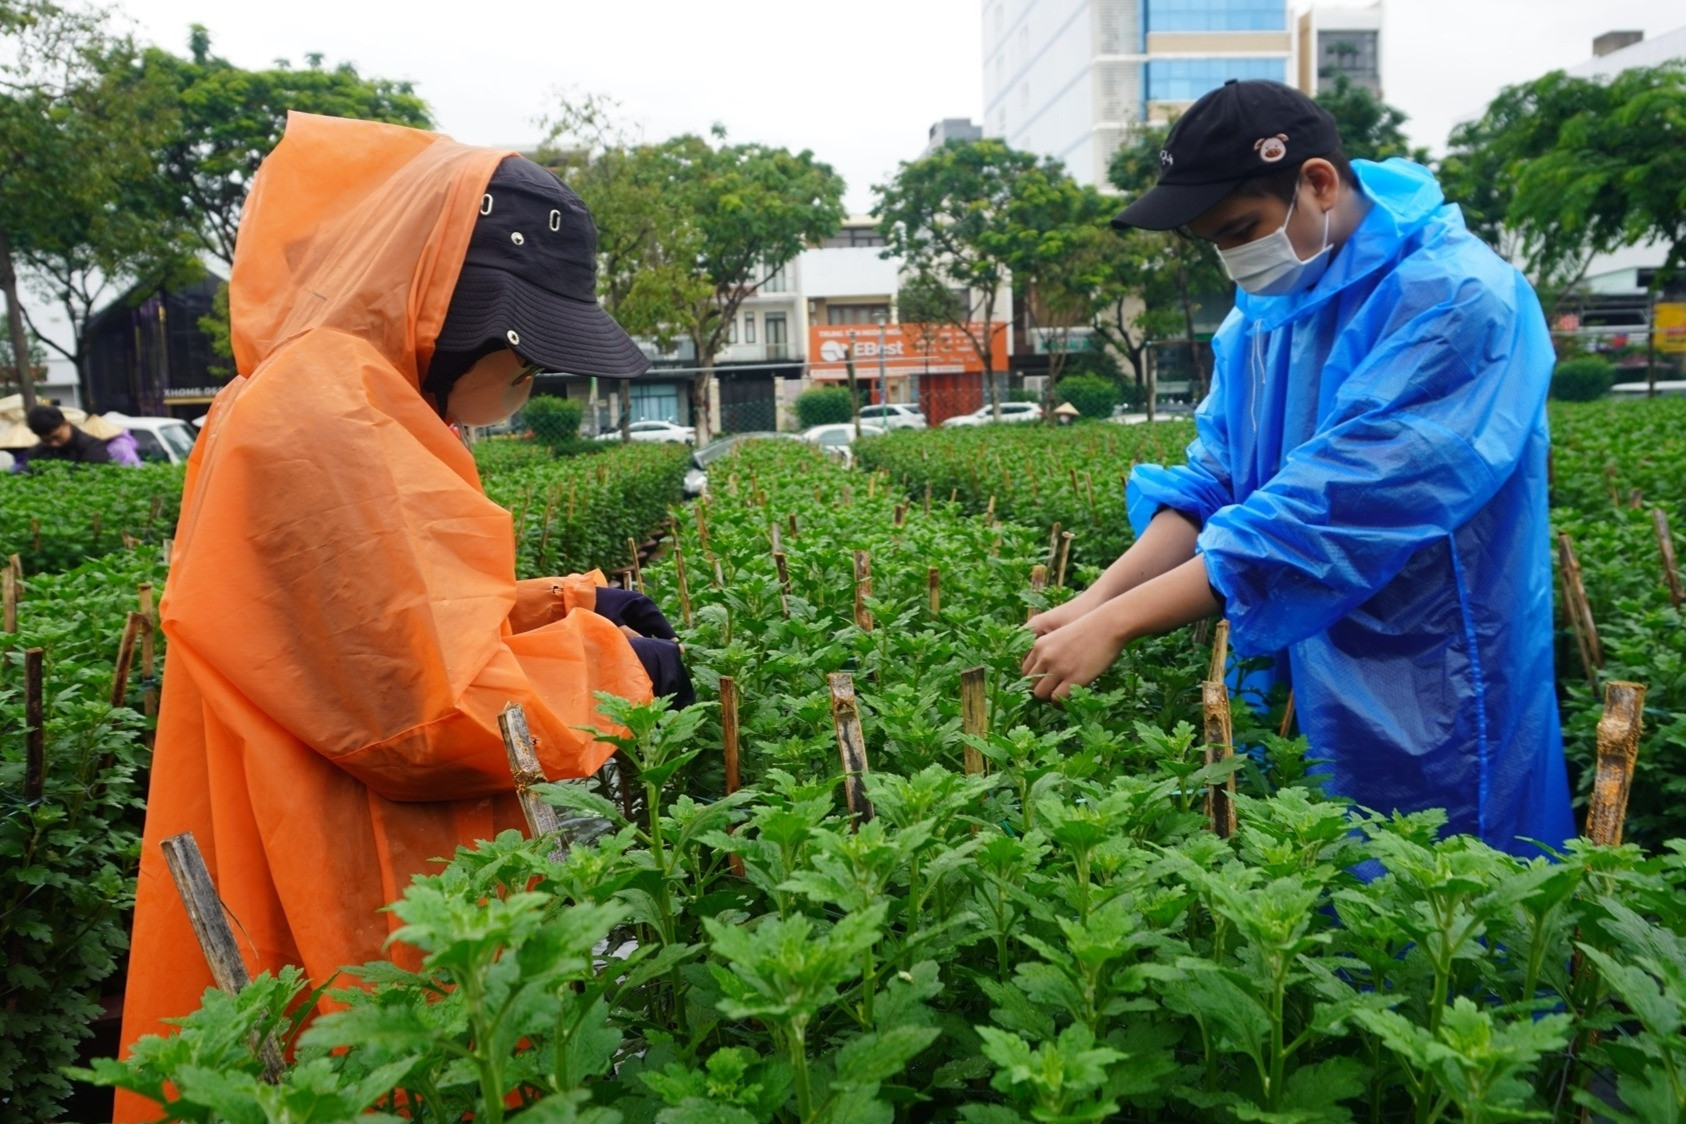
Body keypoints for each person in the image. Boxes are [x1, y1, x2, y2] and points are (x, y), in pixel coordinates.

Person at [115, 114, 685, 1121]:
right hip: (328, 854)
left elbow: (351, 620)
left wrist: (567, 604)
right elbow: (424, 706)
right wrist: (621, 667)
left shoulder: (321, 388)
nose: (528, 378)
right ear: (460, 311)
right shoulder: (334, 410)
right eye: (525, 352)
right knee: (369, 1065)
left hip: (298, 805)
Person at [1021, 80, 1573, 856]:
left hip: (1436, 667)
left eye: (1241, 228)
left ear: (1317, 182)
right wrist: (1096, 598)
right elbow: (1216, 485)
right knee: (1309, 904)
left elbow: (1326, 513)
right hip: (1306, 656)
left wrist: (1120, 623)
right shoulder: (1266, 316)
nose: (1233, 258)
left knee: (1450, 900)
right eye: (1214, 241)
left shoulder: (1459, 300)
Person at [23, 403, 113, 464]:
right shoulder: (37, 451)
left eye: (56, 437)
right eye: (46, 440)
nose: (53, 444)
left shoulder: (92, 446)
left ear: (66, 424)